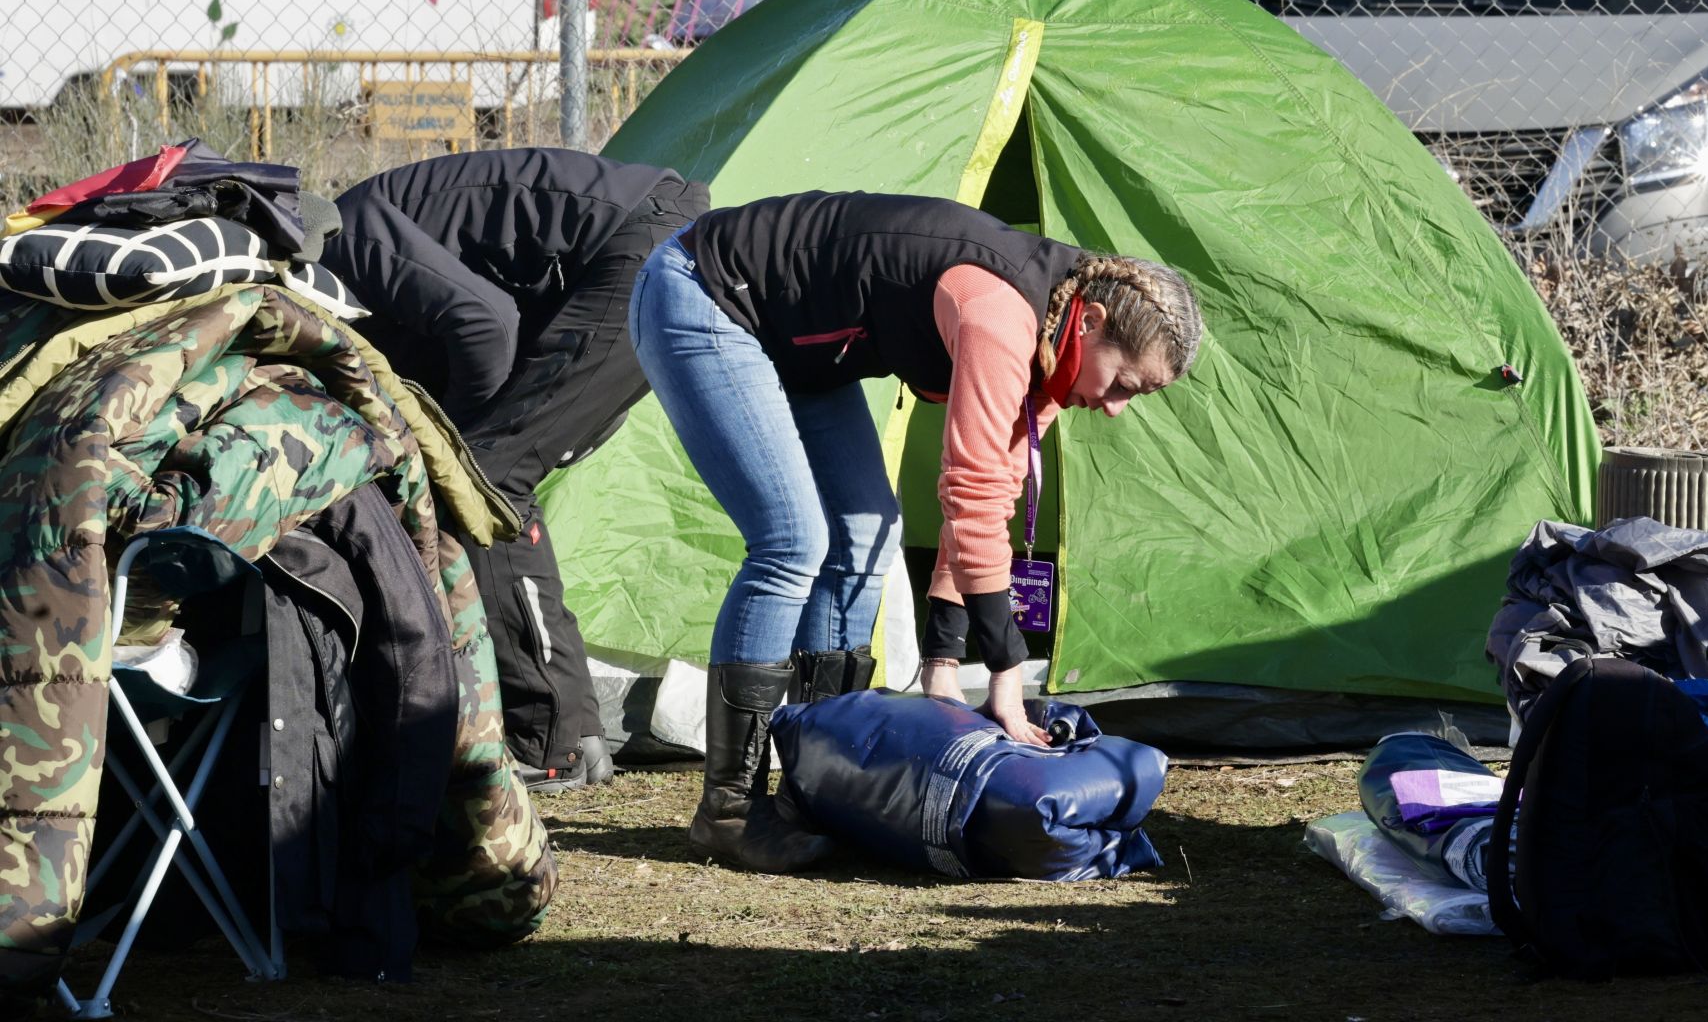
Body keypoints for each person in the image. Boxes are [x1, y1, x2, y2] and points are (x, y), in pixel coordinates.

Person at [628, 190, 1202, 871]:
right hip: (707, 291)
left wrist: (942, 660)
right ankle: (729, 811)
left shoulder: (1052, 347)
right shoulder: (1002, 312)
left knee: (868, 531)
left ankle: (821, 782)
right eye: (1123, 385)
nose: (1113, 410)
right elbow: (972, 487)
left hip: (808, 347)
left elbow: (991, 498)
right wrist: (1006, 671)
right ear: (1092, 321)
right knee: (792, 542)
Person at [325, 147, 710, 792]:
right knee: (496, 488)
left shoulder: (348, 235)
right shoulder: (358, 278)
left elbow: (484, 325)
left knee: (484, 485)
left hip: (646, 247)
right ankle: (574, 732)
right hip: (641, 253)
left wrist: (458, 450)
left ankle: (545, 741)